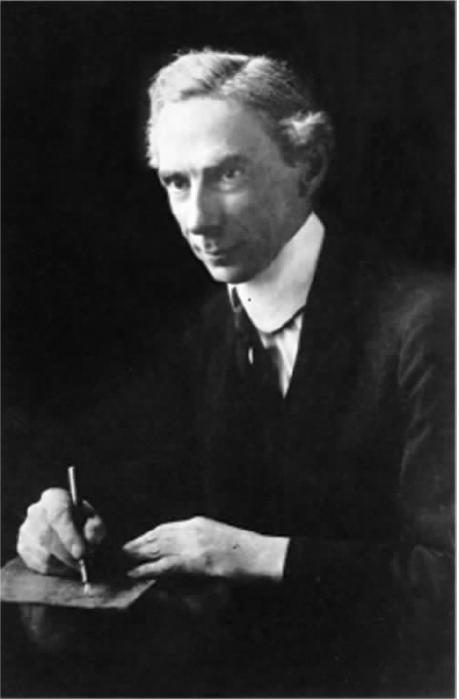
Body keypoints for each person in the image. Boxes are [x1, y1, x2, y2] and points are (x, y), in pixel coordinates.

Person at [16, 50, 453, 696]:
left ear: (308, 165)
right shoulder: (206, 332)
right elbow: (130, 487)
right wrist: (59, 523)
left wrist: (250, 554)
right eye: (176, 182)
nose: (198, 219)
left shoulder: (427, 324)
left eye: (228, 173)